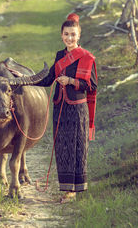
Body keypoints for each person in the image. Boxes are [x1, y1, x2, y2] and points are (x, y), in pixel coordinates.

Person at [35, 13, 98, 203]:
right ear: (61, 35)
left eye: (73, 34)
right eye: (66, 34)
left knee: (76, 148)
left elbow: (92, 86)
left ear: (79, 35)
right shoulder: (60, 56)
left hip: (78, 110)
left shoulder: (87, 58)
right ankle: (66, 189)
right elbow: (48, 79)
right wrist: (27, 81)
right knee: (62, 148)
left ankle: (73, 191)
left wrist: (71, 81)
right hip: (60, 107)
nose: (69, 38)